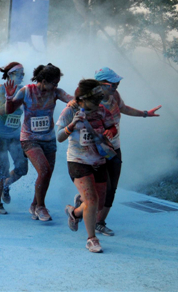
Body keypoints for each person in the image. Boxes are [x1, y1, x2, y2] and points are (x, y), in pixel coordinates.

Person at [93, 67, 162, 236]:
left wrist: (145, 114)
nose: (116, 86)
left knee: (112, 187)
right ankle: (80, 208)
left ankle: (99, 222)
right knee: (101, 187)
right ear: (101, 84)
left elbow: (124, 108)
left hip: (114, 148)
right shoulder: (92, 102)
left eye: (117, 83)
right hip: (96, 150)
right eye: (113, 84)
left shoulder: (114, 96)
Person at [5, 63, 73, 221]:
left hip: (48, 139)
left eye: (57, 83)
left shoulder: (56, 92)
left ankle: (35, 205)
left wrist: (78, 100)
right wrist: (9, 98)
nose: (56, 86)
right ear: (43, 80)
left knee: (47, 174)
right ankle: (41, 207)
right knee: (44, 170)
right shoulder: (26, 91)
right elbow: (9, 110)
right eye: (53, 83)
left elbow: (71, 99)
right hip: (29, 138)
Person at [57, 79, 117, 253]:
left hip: (99, 160)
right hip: (78, 161)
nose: (98, 103)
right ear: (82, 99)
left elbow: (112, 127)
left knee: (97, 204)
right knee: (91, 200)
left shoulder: (102, 110)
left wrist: (109, 132)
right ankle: (92, 239)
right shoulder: (70, 110)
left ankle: (74, 213)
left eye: (100, 99)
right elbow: (59, 137)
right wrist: (72, 125)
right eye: (95, 100)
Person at [0, 62, 28, 214]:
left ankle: (6, 185)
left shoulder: (24, 90)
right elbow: (1, 111)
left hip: (15, 134)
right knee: (3, 168)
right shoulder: (1, 88)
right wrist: (11, 98)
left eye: (23, 74)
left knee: (22, 168)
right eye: (19, 73)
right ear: (10, 75)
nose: (22, 76)